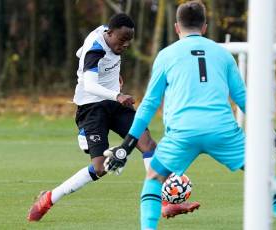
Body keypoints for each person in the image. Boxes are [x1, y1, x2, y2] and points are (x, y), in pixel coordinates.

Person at [103, 2, 276, 230]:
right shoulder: (223, 54)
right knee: (263, 176)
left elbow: (149, 104)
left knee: (154, 180)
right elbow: (246, 102)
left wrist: (127, 146)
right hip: (223, 132)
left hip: (183, 133)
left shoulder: (166, 55)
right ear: (205, 27)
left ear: (177, 27)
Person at [27, 13, 199, 222]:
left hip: (115, 105)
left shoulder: (108, 34)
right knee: (100, 168)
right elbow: (90, 84)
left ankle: (163, 203)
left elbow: (78, 52)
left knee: (147, 143)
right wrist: (116, 94)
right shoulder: (95, 49)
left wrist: (111, 80)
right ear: (109, 33)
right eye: (122, 40)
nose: (125, 45)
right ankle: (49, 198)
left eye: (129, 40)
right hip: (92, 108)